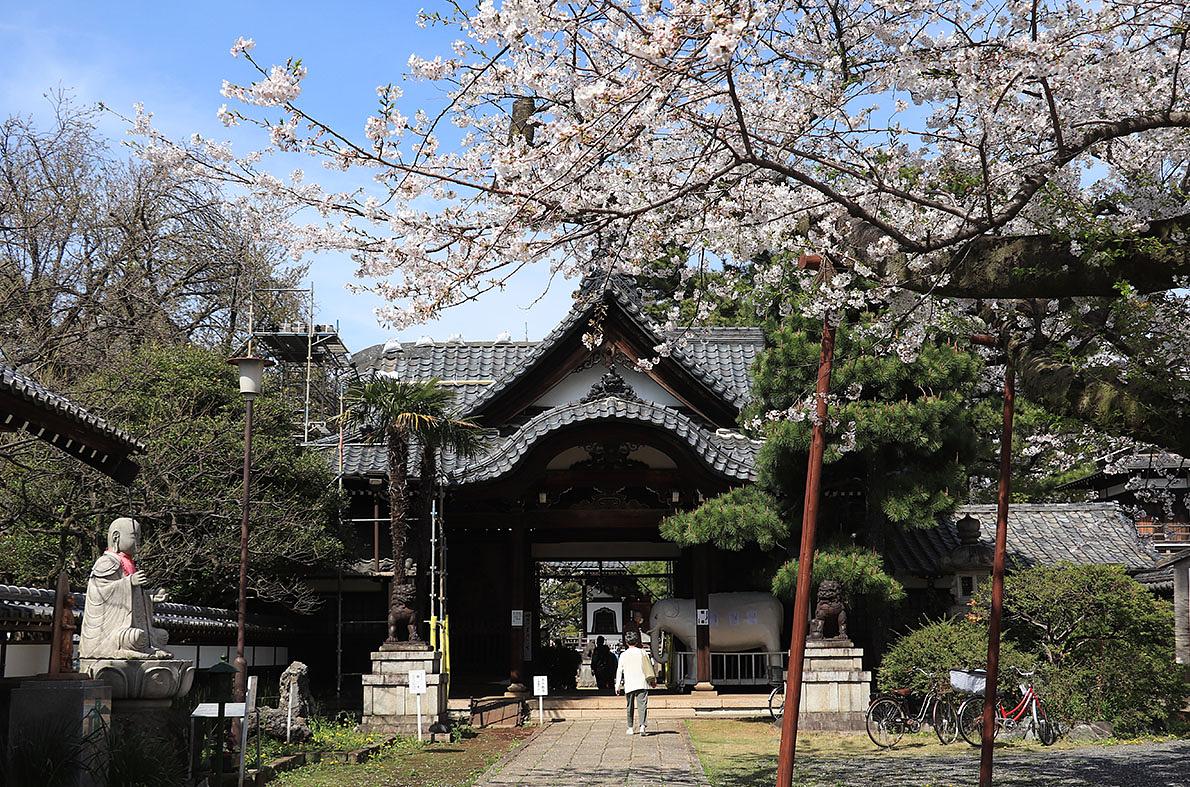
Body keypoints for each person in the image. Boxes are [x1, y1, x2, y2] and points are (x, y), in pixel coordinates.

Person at [615, 629, 656, 736]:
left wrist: (617, 685)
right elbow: (649, 667)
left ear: (626, 642)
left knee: (630, 706)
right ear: (637, 641)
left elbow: (619, 670)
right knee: (642, 705)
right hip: (641, 683)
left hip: (629, 684)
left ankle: (630, 727)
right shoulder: (642, 652)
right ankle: (642, 726)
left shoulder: (623, 655)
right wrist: (652, 681)